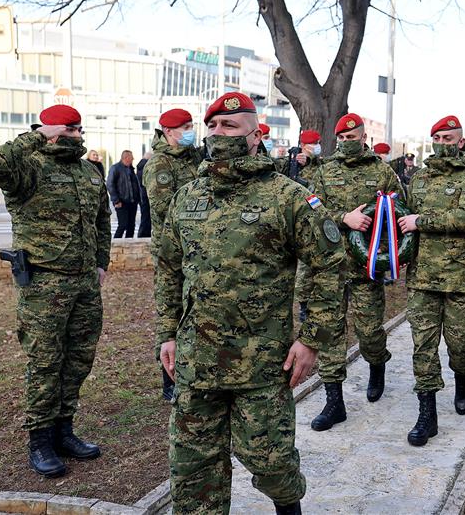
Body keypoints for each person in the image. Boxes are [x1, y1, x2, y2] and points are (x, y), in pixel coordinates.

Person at [156, 92, 344, 514]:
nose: (219, 134)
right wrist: (166, 335)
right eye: (214, 127)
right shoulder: (186, 197)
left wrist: (313, 339)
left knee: (273, 465)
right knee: (192, 475)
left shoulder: (288, 196)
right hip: (196, 362)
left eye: (231, 126)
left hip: (262, 364)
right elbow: (168, 270)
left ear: (256, 135)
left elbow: (328, 265)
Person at [0, 104, 111, 478]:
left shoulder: (88, 171)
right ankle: (39, 440)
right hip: (43, 284)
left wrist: (102, 262)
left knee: (79, 359)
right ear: (51, 128)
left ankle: (63, 431)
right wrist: (39, 135)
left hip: (85, 283)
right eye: (69, 128)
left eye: (79, 127)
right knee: (46, 362)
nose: (77, 134)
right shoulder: (27, 166)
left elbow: (103, 219)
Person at [398, 115, 465, 446]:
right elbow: (402, 217)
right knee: (423, 347)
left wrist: (421, 221)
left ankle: (462, 377)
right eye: (437, 138)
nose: (442, 144)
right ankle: (427, 414)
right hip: (422, 278)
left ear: (461, 141)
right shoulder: (420, 178)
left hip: (460, 280)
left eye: (448, 138)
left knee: (461, 343)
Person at [309, 112, 404, 431]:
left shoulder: (382, 171)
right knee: (330, 335)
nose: (347, 142)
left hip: (366, 269)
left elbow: (398, 213)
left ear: (365, 137)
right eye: (343, 138)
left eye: (353, 137)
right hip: (331, 267)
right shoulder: (324, 171)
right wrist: (343, 218)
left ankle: (377, 364)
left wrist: (386, 254)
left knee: (369, 332)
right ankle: (334, 402)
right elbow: (312, 211)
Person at [142, 108, 203, 401]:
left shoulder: (194, 157)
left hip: (197, 249)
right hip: (172, 251)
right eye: (185, 127)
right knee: (171, 312)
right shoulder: (160, 165)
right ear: (168, 131)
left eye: (192, 125)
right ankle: (169, 379)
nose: (191, 130)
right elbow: (166, 213)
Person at [292, 129, 325, 323]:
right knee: (304, 270)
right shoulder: (296, 164)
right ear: (304, 146)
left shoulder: (323, 164)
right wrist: (297, 163)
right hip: (303, 221)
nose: (317, 146)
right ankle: (304, 308)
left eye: (318, 142)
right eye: (314, 143)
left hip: (320, 220)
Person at [106, 150, 140, 238]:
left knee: (131, 226)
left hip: (132, 202)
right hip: (121, 202)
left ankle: (129, 246)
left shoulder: (131, 169)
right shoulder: (115, 168)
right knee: (122, 225)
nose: (133, 159)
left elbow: (135, 185)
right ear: (126, 158)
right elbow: (110, 184)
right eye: (132, 158)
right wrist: (116, 200)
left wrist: (138, 199)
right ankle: (115, 245)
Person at [137, 151, 152, 238]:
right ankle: (143, 234)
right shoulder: (145, 166)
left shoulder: (140, 166)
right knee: (146, 217)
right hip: (145, 195)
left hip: (143, 195)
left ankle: (144, 234)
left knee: (145, 217)